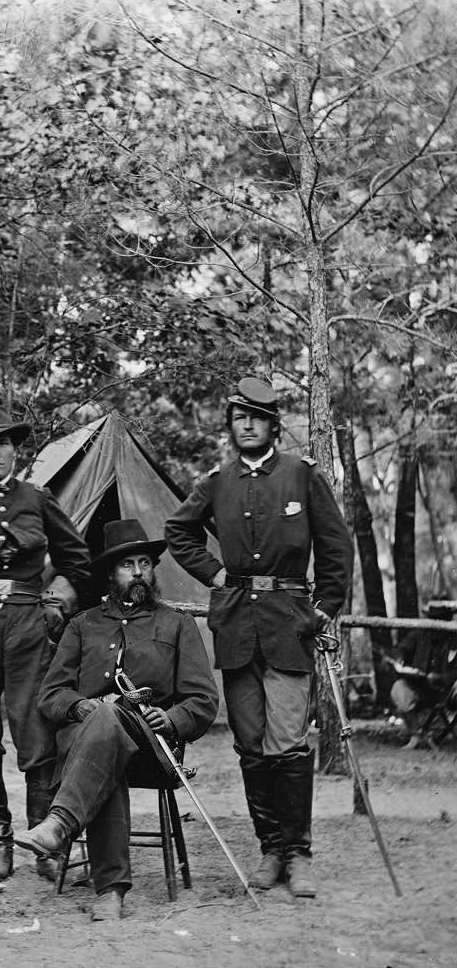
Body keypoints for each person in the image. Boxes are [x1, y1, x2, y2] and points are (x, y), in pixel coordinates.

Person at [165, 376, 353, 899]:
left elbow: (337, 546)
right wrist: (216, 575)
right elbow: (179, 530)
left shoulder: (301, 476)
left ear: (274, 424)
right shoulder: (218, 481)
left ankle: (300, 855)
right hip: (236, 625)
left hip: (291, 624)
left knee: (288, 743)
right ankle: (270, 850)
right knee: (251, 746)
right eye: (238, 416)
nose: (245, 424)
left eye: (256, 416)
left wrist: (322, 610)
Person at [15, 519, 219, 920]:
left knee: (109, 726)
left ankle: (61, 825)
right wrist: (78, 708)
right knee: (105, 728)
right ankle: (109, 891)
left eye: (145, 562)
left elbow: (204, 699)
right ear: (111, 573)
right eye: (129, 565)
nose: (139, 571)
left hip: (153, 747)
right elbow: (51, 695)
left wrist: (173, 717)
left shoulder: (176, 625)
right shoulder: (82, 625)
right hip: (91, 744)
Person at [0, 405, 91, 882]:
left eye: (4, 443)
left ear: (15, 449)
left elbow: (78, 560)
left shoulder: (37, 498)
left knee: (36, 734)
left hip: (29, 625)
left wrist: (58, 601)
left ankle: (42, 844)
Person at [390, 601, 457, 750]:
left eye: (440, 619)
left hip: (447, 692)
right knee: (399, 688)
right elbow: (401, 649)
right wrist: (399, 657)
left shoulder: (454, 638)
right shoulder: (419, 634)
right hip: (420, 687)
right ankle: (415, 735)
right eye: (434, 619)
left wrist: (442, 678)